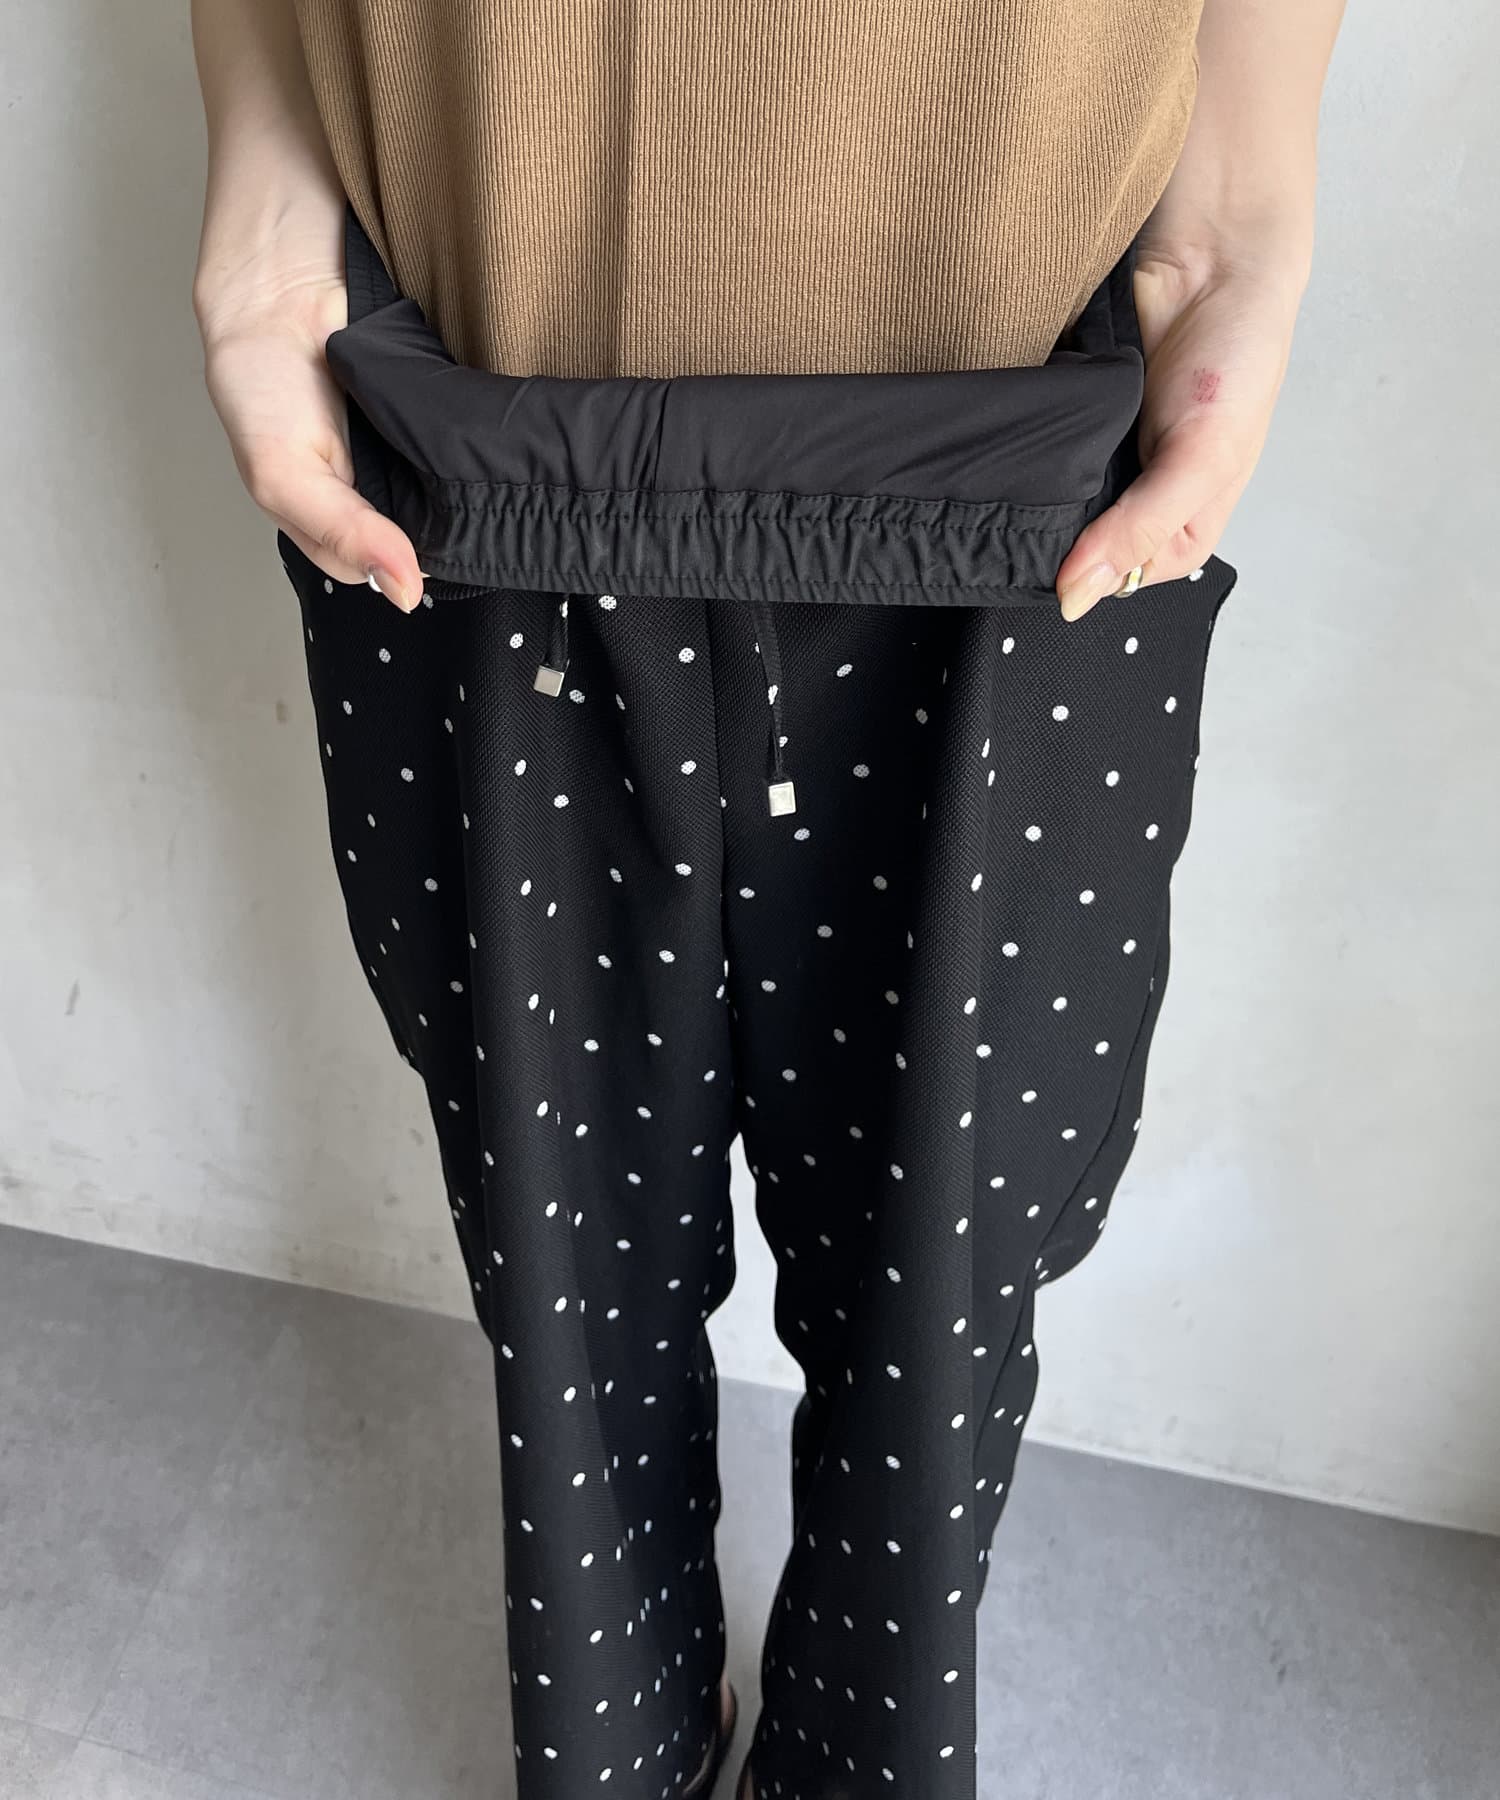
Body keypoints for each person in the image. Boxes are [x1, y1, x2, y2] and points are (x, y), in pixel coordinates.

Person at [191, 3, 1345, 1796]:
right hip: (485, 463)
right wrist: (268, 229)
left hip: (1013, 495)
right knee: (565, 1282)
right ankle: (630, 1751)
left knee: (934, 1308)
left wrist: (1240, 235)